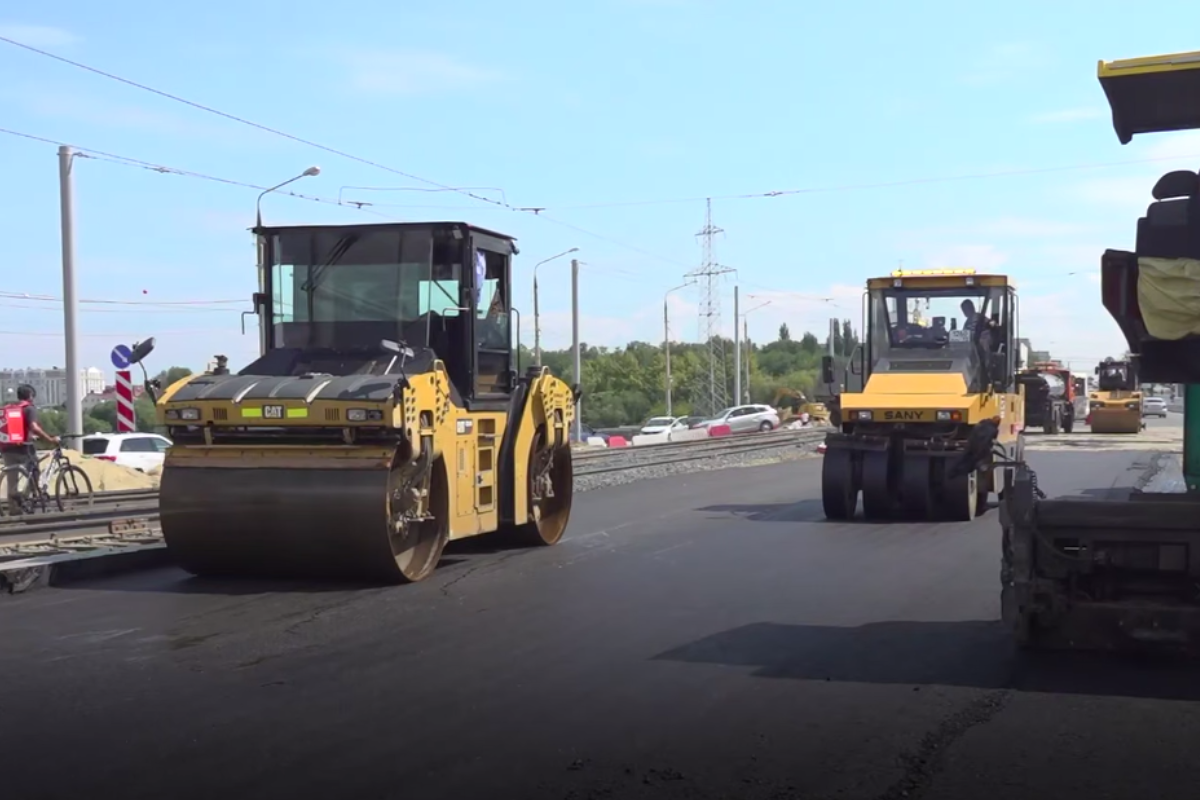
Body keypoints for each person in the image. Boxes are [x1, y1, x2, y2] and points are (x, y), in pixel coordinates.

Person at [1, 384, 59, 513]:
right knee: (34, 473)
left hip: (7, 448)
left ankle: (14, 509)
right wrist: (49, 439)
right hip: (24, 448)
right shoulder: (29, 408)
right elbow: (34, 427)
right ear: (31, 396)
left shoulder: (10, 408)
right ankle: (25, 499)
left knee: (12, 478)